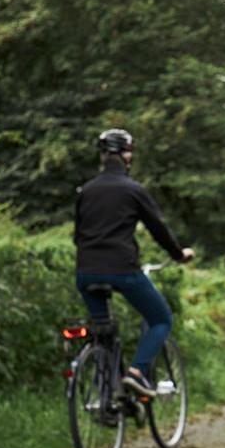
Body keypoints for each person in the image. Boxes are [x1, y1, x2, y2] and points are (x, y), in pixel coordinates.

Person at [74, 128, 194, 398]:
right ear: (127, 156)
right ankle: (136, 373)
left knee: (102, 330)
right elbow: (158, 228)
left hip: (85, 272)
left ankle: (105, 397)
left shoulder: (85, 191)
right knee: (161, 318)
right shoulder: (134, 190)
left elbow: (77, 235)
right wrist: (178, 254)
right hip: (123, 269)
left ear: (103, 156)